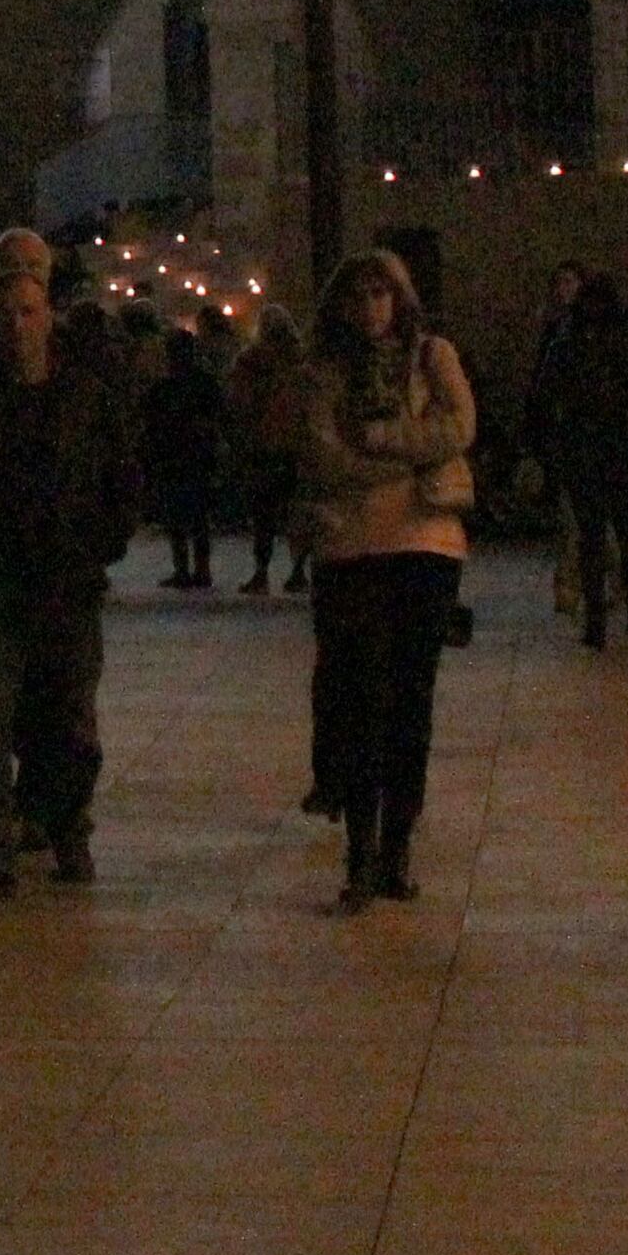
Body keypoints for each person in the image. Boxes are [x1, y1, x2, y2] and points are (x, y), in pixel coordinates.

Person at [0, 257, 139, 904]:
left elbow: (117, 479)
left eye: (28, 311)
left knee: (70, 725)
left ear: (47, 315)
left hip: (65, 585)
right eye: (6, 313)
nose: (17, 326)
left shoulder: (82, 395)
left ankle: (66, 824)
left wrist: (97, 543)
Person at [299, 250, 479, 911]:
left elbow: (458, 425)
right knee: (360, 702)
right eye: (359, 296)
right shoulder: (326, 372)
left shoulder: (432, 357)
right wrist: (394, 461)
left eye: (383, 293)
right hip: (351, 547)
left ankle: (395, 850)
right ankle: (360, 853)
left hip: (424, 543)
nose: (372, 308)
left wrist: (386, 440)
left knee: (410, 705)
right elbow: (322, 452)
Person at [530, 267, 628, 649]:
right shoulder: (626, 338)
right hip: (620, 446)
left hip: (587, 446)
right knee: (626, 535)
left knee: (593, 537)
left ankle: (598, 620)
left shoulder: (568, 340)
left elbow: (544, 395)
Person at [227, 299, 311, 594]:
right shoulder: (301, 360)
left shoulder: (250, 361)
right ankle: (299, 570)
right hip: (296, 445)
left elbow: (238, 402)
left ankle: (262, 572)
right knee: (296, 511)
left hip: (263, 444)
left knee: (263, 512)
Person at [142, 313, 230, 591]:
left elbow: (152, 422)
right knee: (195, 516)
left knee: (181, 516)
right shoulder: (201, 383)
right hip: (193, 455)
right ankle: (197, 570)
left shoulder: (166, 387)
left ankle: (186, 569)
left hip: (180, 455)